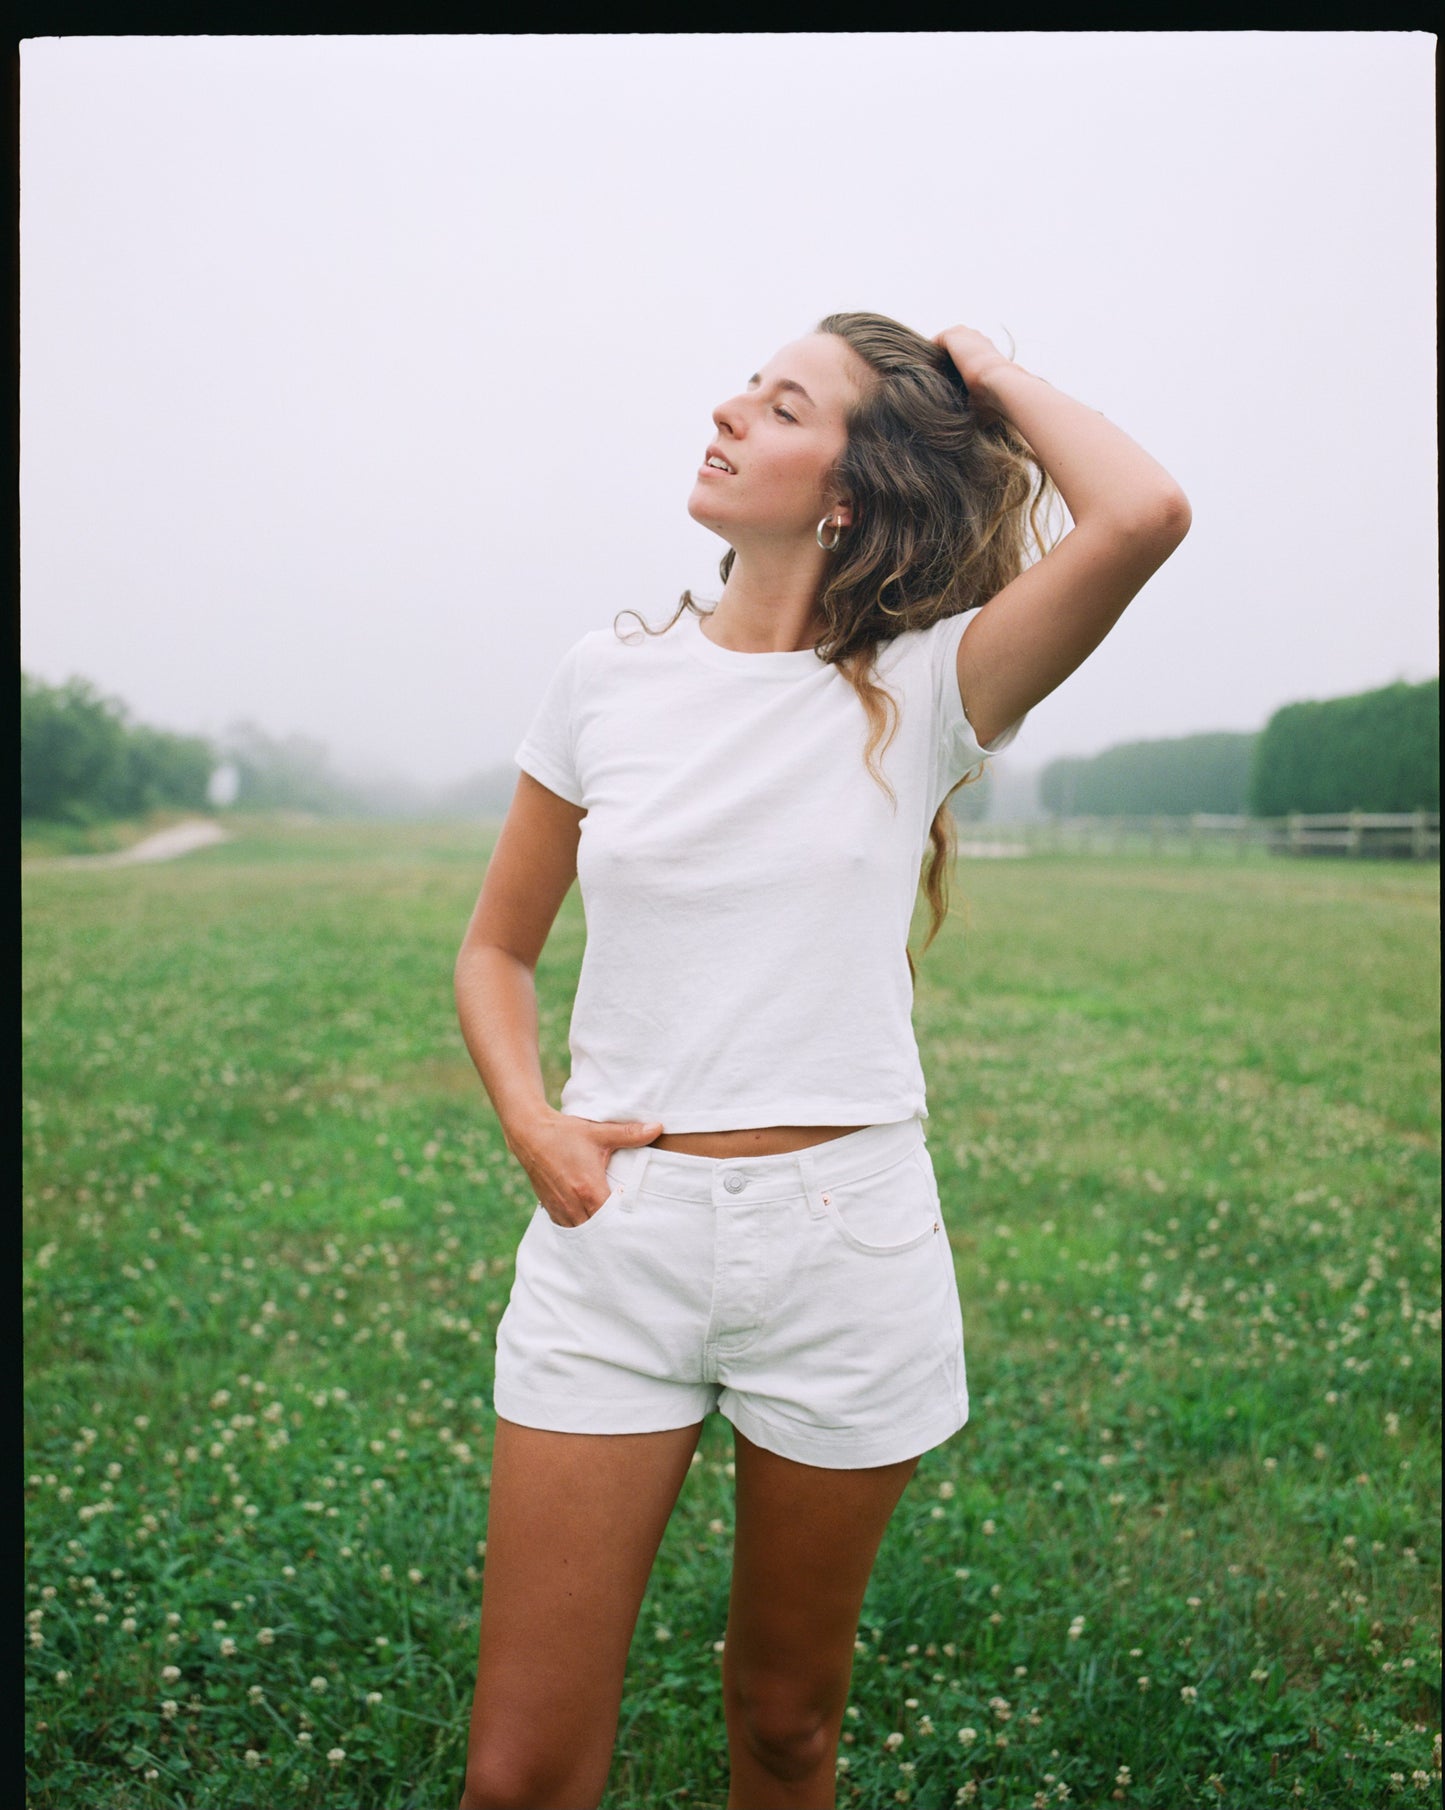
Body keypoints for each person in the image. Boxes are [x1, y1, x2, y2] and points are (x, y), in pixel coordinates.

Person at [453, 312, 1190, 1810]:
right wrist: (534, 1121)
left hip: (842, 1254)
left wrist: (982, 368)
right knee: (518, 1774)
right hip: (615, 1242)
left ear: (846, 488)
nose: (724, 409)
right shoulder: (603, 678)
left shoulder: (928, 690)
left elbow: (1143, 513)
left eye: (780, 402)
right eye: (745, 384)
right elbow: (496, 948)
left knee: (784, 1721)